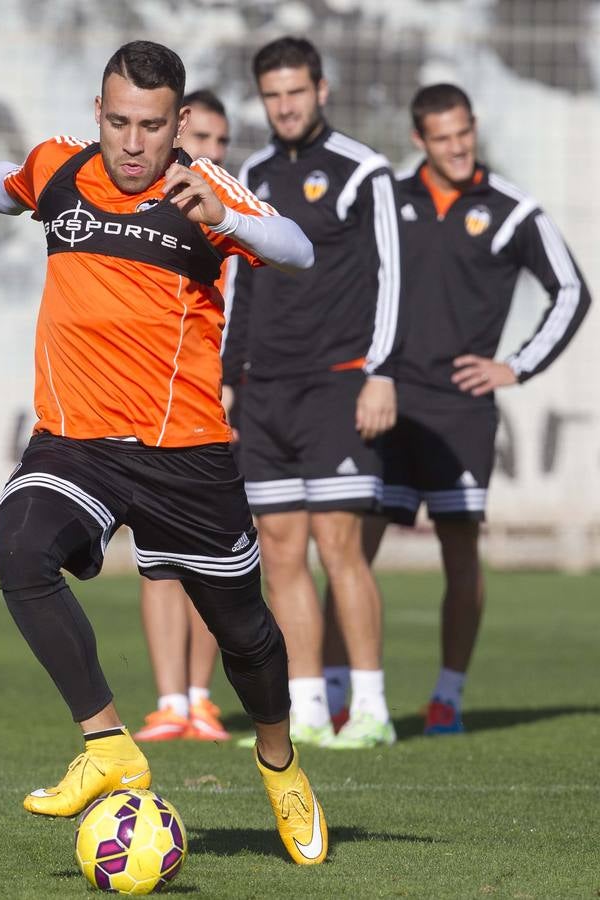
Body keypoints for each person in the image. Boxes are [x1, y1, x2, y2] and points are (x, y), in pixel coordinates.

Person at [0, 40, 328, 864]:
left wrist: (225, 219)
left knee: (246, 635)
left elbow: (297, 249)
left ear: (179, 122)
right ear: (97, 113)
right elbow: (5, 191)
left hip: (184, 456)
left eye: (151, 126)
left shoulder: (201, 186)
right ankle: (109, 744)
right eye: (117, 121)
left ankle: (279, 761)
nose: (131, 143)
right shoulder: (57, 167)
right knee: (18, 549)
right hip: (77, 444)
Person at [370, 83, 590, 734]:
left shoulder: (512, 209)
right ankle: (345, 695)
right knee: (352, 548)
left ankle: (448, 695)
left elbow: (572, 290)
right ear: (420, 141)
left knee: (460, 550)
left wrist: (516, 365)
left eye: (464, 132)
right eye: (442, 137)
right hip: (386, 399)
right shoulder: (390, 199)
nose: (457, 146)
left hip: (462, 409)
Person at [223, 36, 399, 749]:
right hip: (265, 391)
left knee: (339, 545)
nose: (285, 105)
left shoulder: (365, 171)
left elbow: (394, 275)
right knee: (280, 548)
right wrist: (230, 378)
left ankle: (370, 709)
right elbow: (240, 283)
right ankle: (304, 709)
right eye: (273, 95)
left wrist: (380, 369)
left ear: (321, 90)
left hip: (338, 384)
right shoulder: (253, 171)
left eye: (296, 92)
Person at [133, 88, 232, 744]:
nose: (212, 153)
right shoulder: (150, 204)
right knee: (158, 560)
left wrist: (236, 388)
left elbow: (245, 309)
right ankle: (171, 701)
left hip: (215, 405)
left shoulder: (231, 210)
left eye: (224, 143)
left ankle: (201, 698)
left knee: (211, 562)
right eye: (203, 138)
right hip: (151, 406)